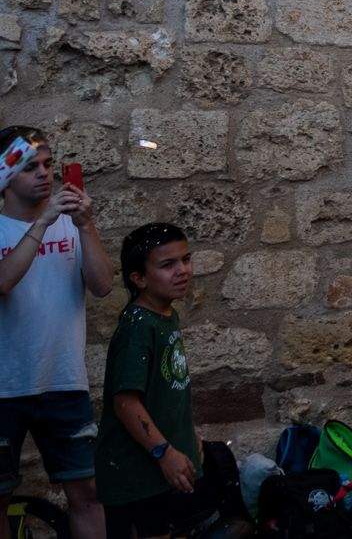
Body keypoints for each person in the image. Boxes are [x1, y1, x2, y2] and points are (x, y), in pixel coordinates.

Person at [0, 125, 115, 539]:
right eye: (31, 167)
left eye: (49, 164)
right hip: (4, 386)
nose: (45, 174)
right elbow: (4, 282)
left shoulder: (68, 224)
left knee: (86, 492)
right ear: (5, 175)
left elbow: (102, 286)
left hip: (63, 381)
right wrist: (44, 224)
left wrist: (85, 226)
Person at [95, 224, 207, 539]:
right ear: (138, 278)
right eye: (168, 265)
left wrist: (186, 435)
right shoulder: (137, 328)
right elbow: (125, 402)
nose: (183, 270)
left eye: (186, 260)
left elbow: (166, 391)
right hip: (137, 476)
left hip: (162, 471)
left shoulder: (165, 315)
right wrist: (164, 453)